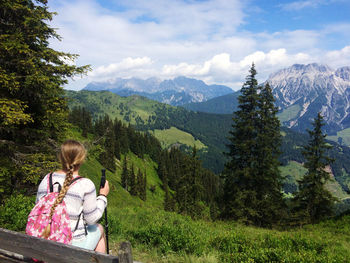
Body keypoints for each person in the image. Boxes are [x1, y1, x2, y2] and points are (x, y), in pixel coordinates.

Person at [36, 140, 110, 253]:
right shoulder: (85, 184)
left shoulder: (46, 179)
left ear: (60, 157)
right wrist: (103, 196)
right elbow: (92, 219)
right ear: (81, 159)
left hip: (45, 241)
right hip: (71, 246)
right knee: (98, 228)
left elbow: (39, 209)